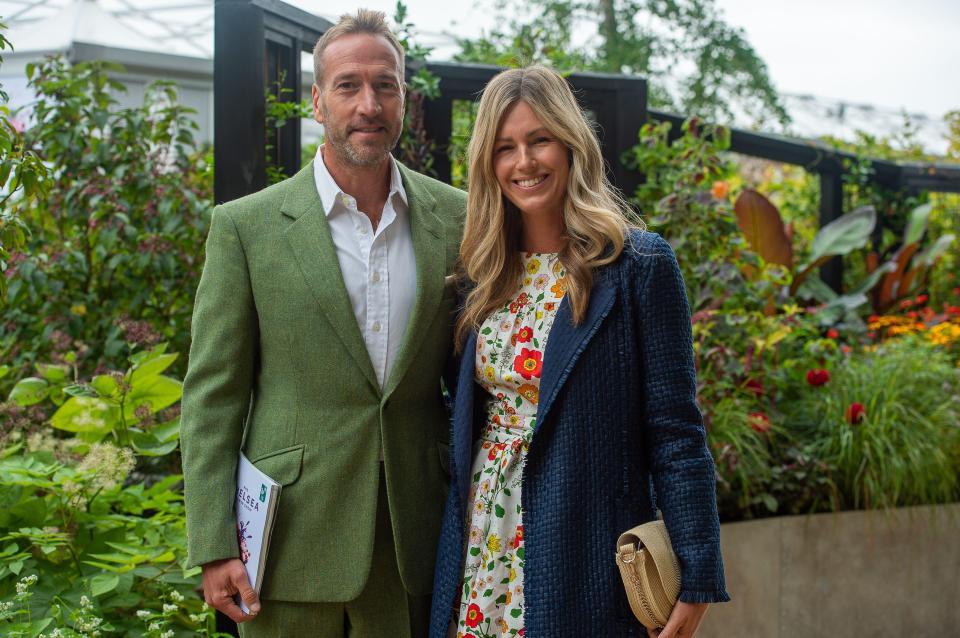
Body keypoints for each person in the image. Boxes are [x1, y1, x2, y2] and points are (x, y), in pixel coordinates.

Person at [180, 9, 466, 637]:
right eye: (348, 85)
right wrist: (213, 541)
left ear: (402, 97)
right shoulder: (246, 227)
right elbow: (212, 396)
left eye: (385, 84)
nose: (369, 103)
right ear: (317, 101)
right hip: (287, 546)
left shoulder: (459, 217)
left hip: (416, 536)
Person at [428, 66, 729, 638]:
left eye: (539, 140)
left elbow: (677, 431)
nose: (525, 162)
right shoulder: (479, 276)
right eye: (505, 148)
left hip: (586, 548)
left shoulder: (638, 265)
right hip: (484, 545)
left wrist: (697, 574)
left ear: (570, 144)